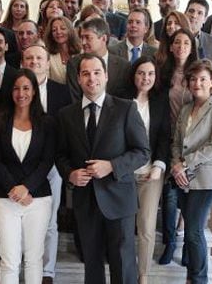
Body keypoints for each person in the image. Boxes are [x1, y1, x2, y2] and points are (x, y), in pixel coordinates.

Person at [56, 53, 150, 284]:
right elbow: (60, 155)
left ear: (106, 76)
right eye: (86, 73)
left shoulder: (125, 108)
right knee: (91, 261)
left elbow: (142, 152)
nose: (92, 79)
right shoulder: (66, 115)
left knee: (123, 262)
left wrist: (112, 166)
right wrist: (70, 173)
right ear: (78, 78)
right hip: (85, 200)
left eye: (97, 72)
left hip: (119, 198)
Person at [0, 68, 56, 284]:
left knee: (34, 259)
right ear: (10, 92)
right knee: (9, 260)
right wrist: (14, 189)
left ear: (34, 91)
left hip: (38, 198)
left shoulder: (47, 124)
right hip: (5, 198)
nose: (21, 93)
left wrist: (26, 188)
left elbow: (47, 162)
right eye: (16, 88)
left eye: (26, 88)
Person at [171, 59, 212, 283]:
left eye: (203, 79)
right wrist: (176, 164)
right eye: (193, 79)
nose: (197, 83)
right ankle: (191, 277)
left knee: (194, 232)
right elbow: (176, 141)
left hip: (204, 179)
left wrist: (184, 164)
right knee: (189, 234)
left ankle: (199, 279)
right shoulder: (186, 108)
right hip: (181, 178)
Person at [22, 44, 71, 284]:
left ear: (47, 62)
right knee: (20, 220)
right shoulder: (16, 90)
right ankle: (21, 267)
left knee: (50, 221)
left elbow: (66, 129)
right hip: (21, 165)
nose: (34, 62)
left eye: (39, 58)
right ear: (23, 62)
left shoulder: (61, 92)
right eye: (29, 58)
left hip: (52, 165)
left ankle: (47, 272)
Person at [124, 56, 171, 284]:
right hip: (123, 174)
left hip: (151, 173)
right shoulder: (122, 100)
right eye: (141, 73)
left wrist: (159, 166)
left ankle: (143, 275)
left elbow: (164, 138)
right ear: (134, 75)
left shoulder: (161, 101)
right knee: (123, 226)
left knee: (146, 227)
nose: (146, 78)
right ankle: (124, 270)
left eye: (150, 73)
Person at [157, 28, 197, 265]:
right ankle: (170, 242)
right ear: (171, 47)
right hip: (169, 139)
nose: (181, 46)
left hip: (192, 143)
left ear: (191, 47)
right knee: (169, 197)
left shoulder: (197, 73)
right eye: (177, 43)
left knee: (189, 195)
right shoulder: (165, 73)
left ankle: (188, 247)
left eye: (186, 43)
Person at [67, 18, 130, 102]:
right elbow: (75, 98)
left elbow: (125, 99)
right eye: (82, 38)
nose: (83, 42)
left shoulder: (123, 66)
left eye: (88, 37)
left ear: (103, 38)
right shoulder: (74, 64)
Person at [185, 0, 212, 96]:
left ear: (205, 19)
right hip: (181, 98)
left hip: (207, 99)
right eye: (191, 11)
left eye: (200, 13)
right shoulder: (175, 40)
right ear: (185, 14)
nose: (194, 16)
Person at [44, 16, 81, 84]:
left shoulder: (81, 52)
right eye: (54, 30)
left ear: (70, 30)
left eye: (63, 28)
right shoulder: (47, 55)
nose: (58, 32)